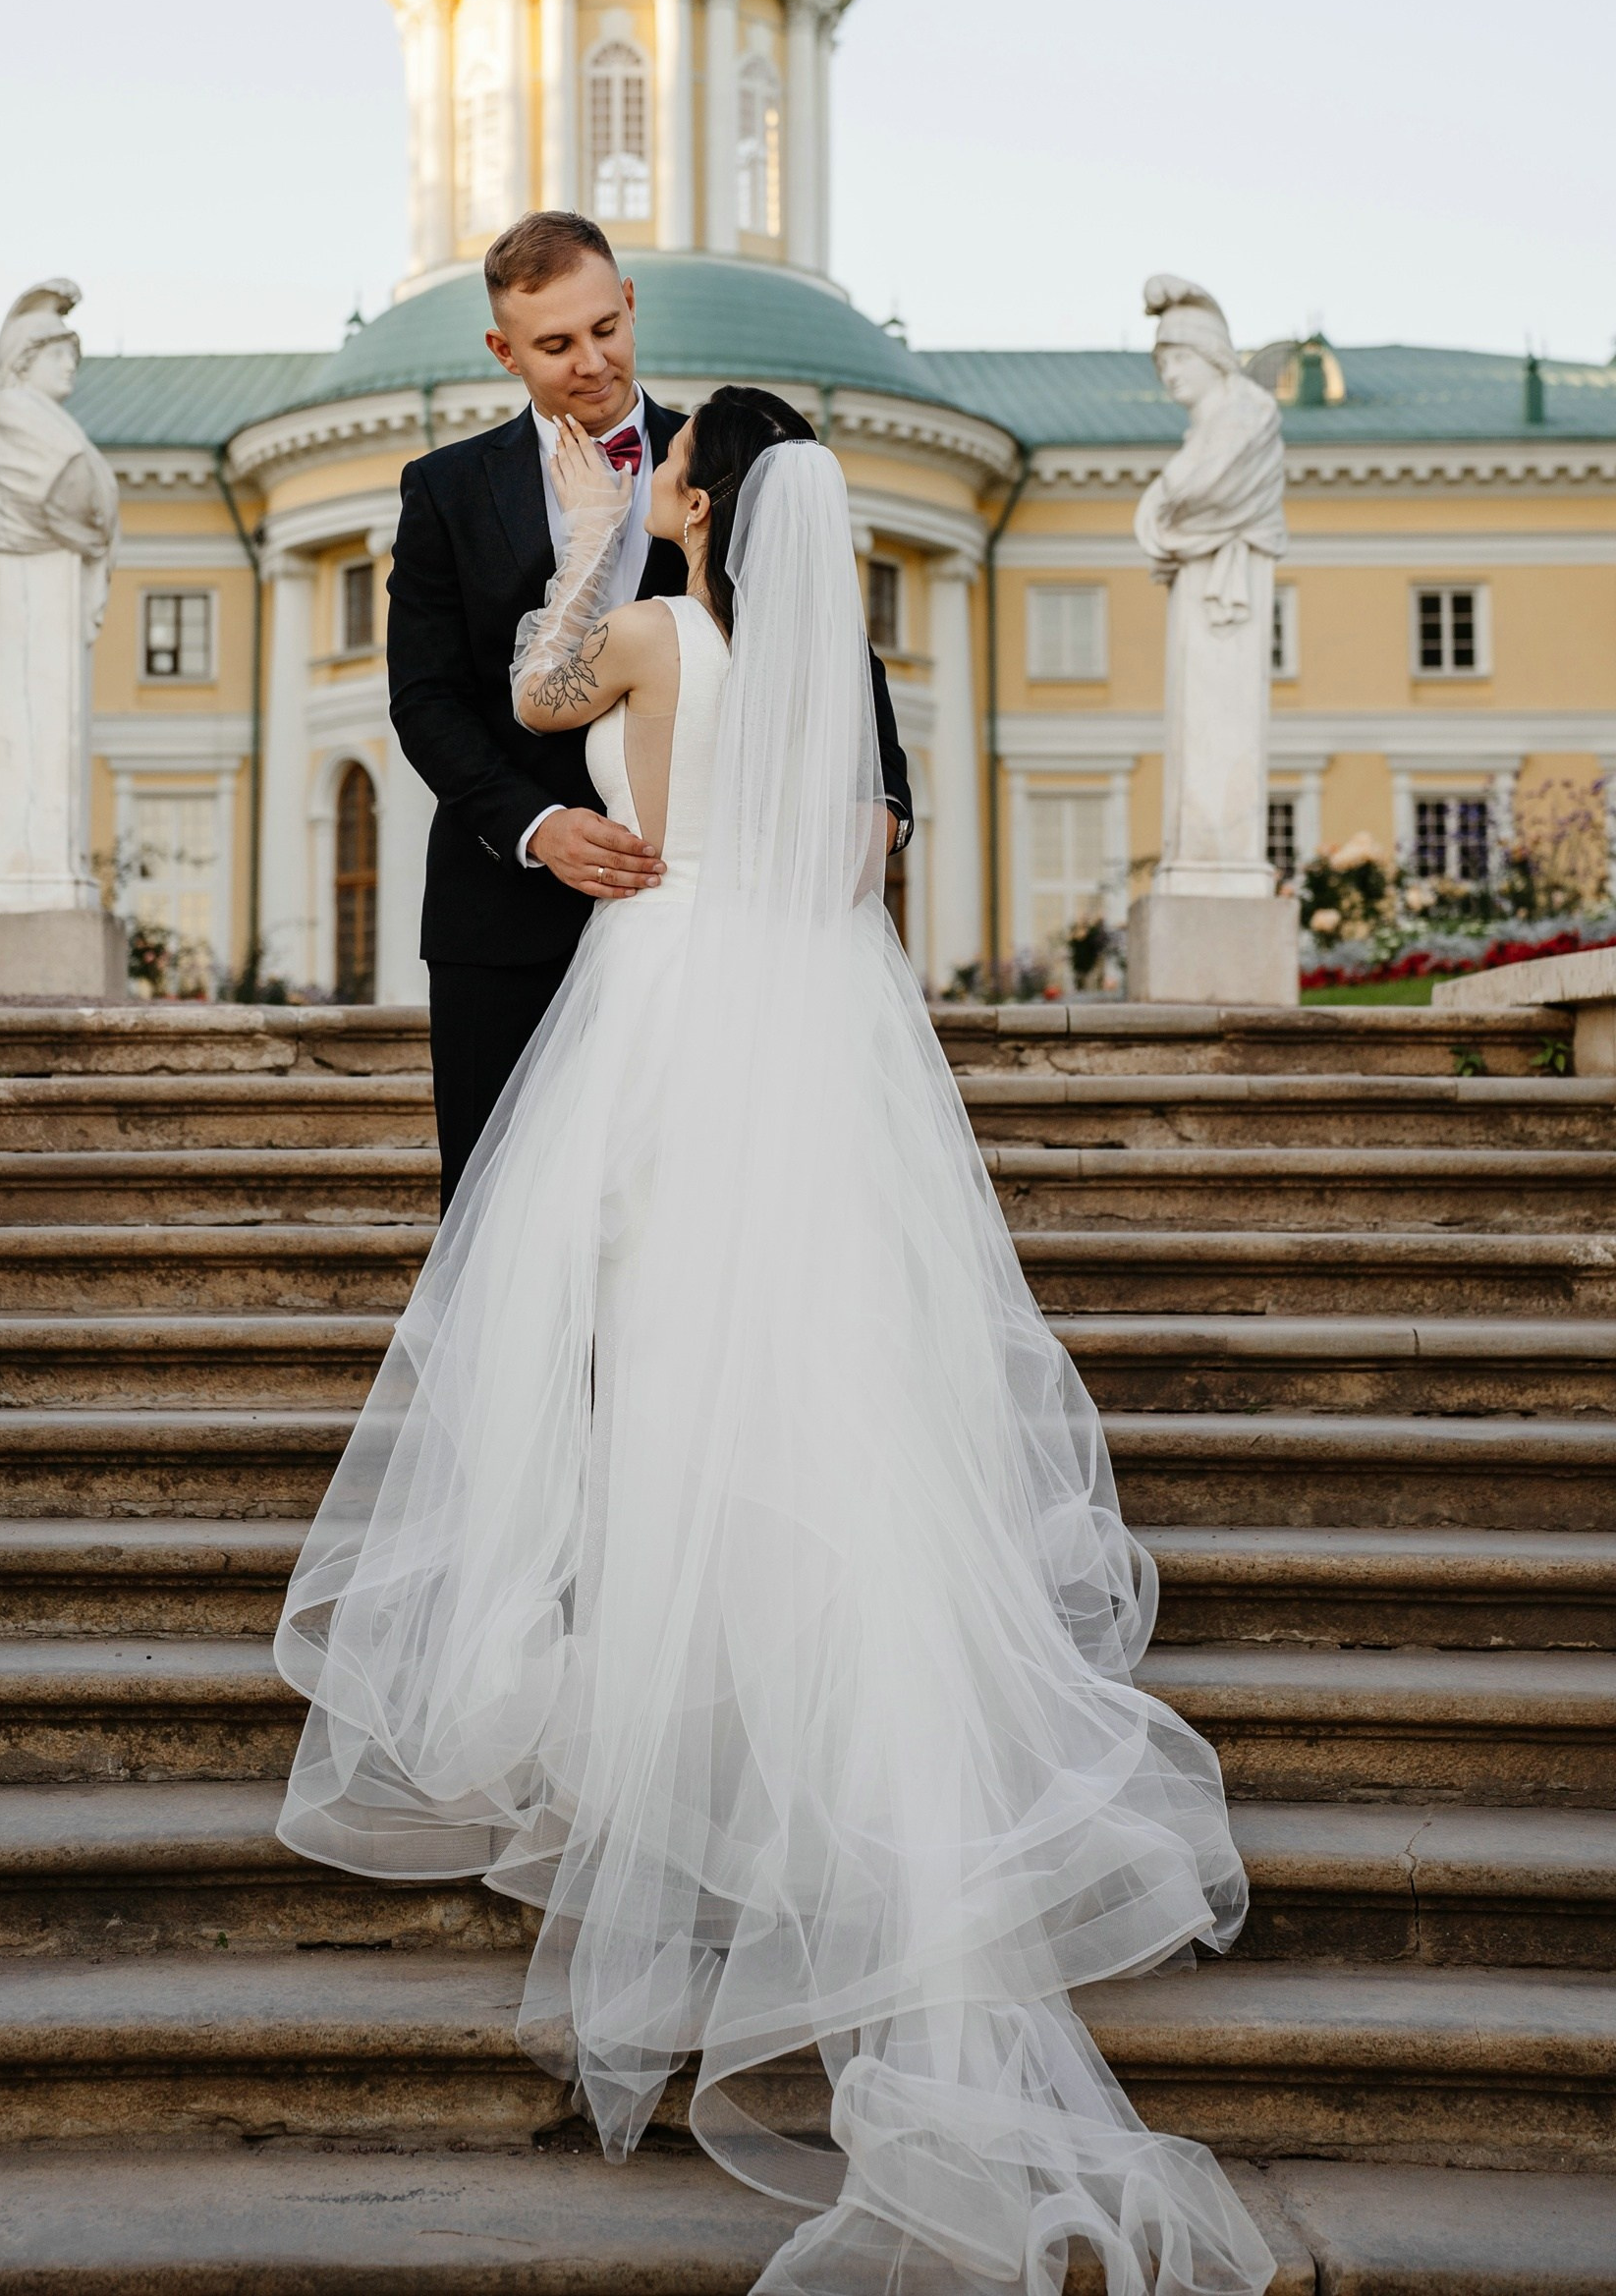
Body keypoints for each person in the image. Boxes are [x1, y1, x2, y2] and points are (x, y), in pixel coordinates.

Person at [276, 390, 1273, 2296]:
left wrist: (600, 525)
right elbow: (841, 838)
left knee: (655, 1361)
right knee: (813, 1371)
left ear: (705, 498)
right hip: (796, 1017)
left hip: (660, 1004)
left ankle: (683, 1749)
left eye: (679, 476)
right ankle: (813, 1739)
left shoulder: (649, 628)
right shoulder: (818, 691)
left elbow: (529, 690)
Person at [385, 208, 913, 1204]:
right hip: (503, 917)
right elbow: (425, 698)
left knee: (703, 1213)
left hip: (709, 924)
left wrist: (881, 804)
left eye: (604, 328)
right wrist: (535, 827)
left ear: (629, 304)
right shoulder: (445, 489)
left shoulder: (720, 459)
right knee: (506, 1229)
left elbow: (837, 649)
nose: (590, 361)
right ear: (503, 350)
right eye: (553, 345)